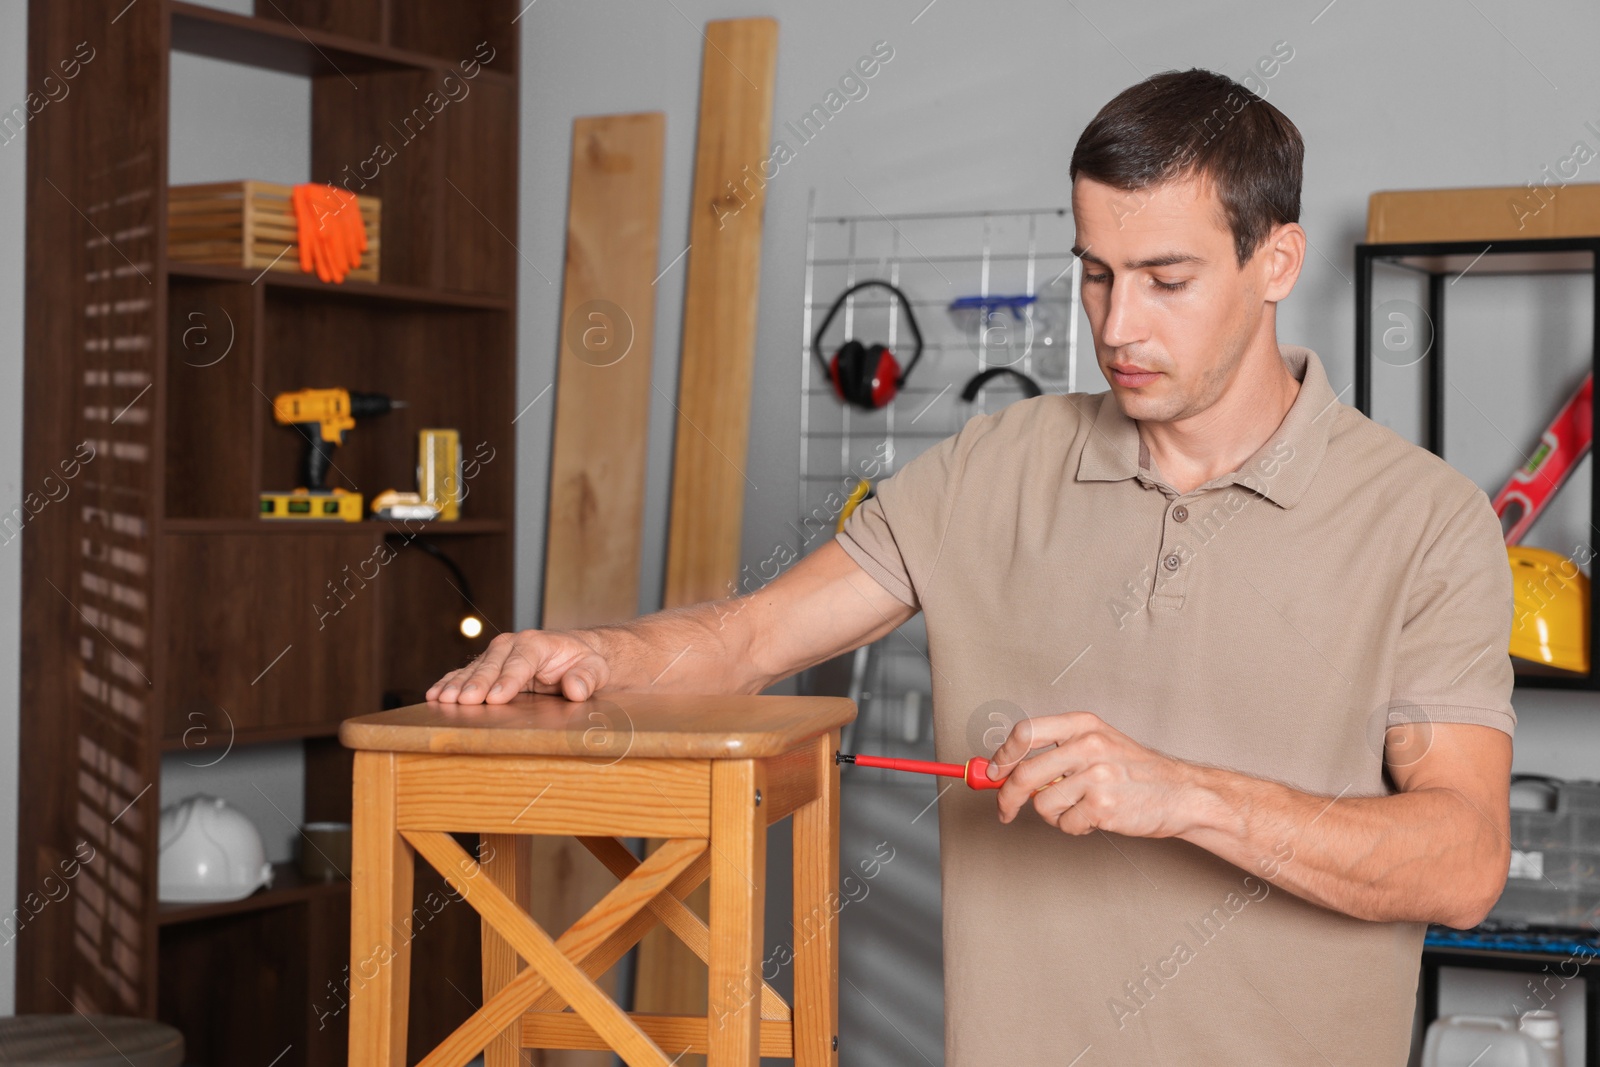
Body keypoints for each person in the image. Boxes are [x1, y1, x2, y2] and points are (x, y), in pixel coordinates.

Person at [430, 68, 1516, 1066]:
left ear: (1274, 260)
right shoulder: (991, 466)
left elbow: (1463, 859)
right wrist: (594, 654)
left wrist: (1183, 792)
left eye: (1164, 279)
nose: (1117, 325)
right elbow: (751, 639)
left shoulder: (1424, 520)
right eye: (1095, 275)